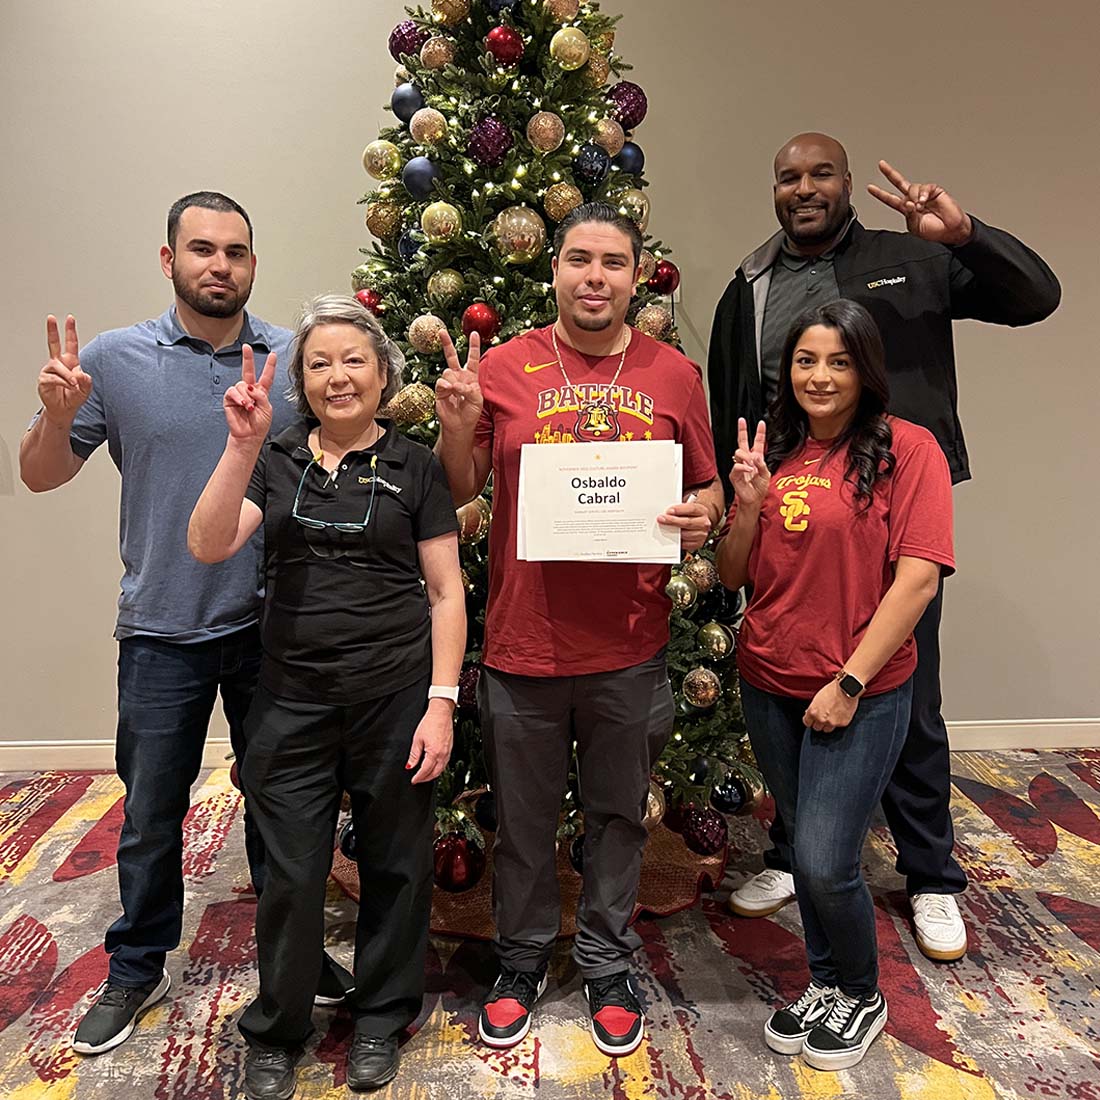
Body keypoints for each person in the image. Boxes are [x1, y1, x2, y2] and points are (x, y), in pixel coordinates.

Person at [16, 192, 358, 1056]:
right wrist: (56, 416)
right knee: (150, 813)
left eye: (236, 252)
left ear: (253, 264)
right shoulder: (113, 359)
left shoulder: (292, 359)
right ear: (169, 260)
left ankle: (294, 954)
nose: (220, 265)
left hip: (275, 627)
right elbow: (40, 476)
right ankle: (137, 967)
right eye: (202, 249)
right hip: (161, 626)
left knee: (284, 808)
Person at [707, 134, 1060, 959]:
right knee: (789, 683)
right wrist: (734, 498)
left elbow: (1036, 297)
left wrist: (965, 233)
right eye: (788, 177)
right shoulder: (749, 284)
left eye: (820, 173)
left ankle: (931, 873)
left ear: (845, 182)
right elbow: (732, 402)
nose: (804, 188)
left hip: (889, 515)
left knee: (907, 697)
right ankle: (796, 852)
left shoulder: (912, 257)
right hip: (790, 513)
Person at [434, 202, 723, 1058]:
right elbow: (461, 487)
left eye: (613, 263)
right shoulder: (507, 366)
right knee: (522, 824)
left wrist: (704, 515)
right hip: (524, 641)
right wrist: (457, 425)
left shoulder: (675, 374)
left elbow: (706, 485)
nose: (595, 277)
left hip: (630, 646)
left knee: (618, 819)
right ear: (555, 270)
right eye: (579, 260)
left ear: (636, 278)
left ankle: (605, 961)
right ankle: (521, 962)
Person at [189, 294, 465, 1098]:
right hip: (291, 700)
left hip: (395, 697)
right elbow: (207, 544)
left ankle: (380, 1017)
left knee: (396, 865)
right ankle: (279, 1027)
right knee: (291, 874)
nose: (337, 376)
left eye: (353, 361)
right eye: (319, 363)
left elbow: (446, 592)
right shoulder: (274, 456)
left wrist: (441, 703)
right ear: (302, 381)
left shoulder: (416, 466)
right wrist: (239, 446)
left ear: (384, 375)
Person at [716, 298, 954, 1069]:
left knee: (823, 860)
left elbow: (917, 582)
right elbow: (733, 574)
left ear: (866, 369)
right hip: (768, 680)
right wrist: (747, 506)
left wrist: (849, 683)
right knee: (807, 849)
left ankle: (861, 991)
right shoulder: (779, 449)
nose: (820, 376)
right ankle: (826, 982)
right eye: (806, 360)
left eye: (839, 361)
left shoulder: (909, 450)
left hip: (861, 692)